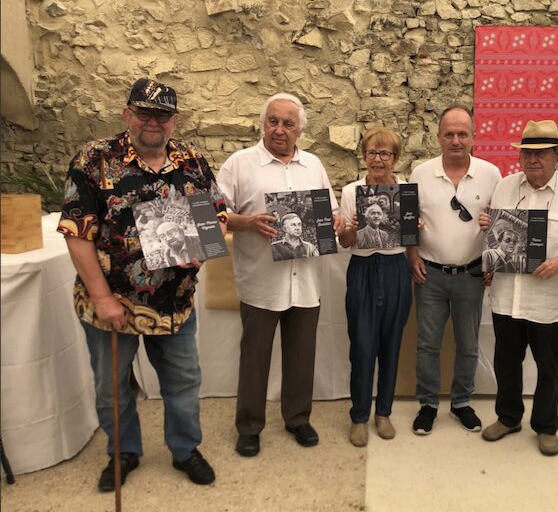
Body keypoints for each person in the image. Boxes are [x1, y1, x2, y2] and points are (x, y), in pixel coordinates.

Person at [58, 77, 226, 490]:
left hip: (174, 303)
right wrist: (101, 298)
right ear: (127, 114)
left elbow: (216, 217)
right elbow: (77, 233)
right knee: (112, 387)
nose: (154, 122)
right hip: (113, 303)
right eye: (145, 113)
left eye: (163, 115)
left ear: (175, 121)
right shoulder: (94, 159)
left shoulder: (193, 160)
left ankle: (185, 450)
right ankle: (123, 452)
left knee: (184, 381)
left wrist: (203, 248)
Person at [217, 92, 345, 457]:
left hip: (305, 281)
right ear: (263, 124)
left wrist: (335, 220)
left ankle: (298, 419)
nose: (279, 129)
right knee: (254, 359)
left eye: (288, 123)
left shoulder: (314, 165)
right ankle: (249, 426)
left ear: (299, 130)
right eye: (273, 121)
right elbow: (213, 214)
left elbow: (331, 211)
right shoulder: (240, 164)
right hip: (261, 282)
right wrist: (246, 222)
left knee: (302, 356)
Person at [478, 119, 558, 455]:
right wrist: (488, 231)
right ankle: (508, 417)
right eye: (527, 153)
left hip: (547, 301)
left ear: (557, 154)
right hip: (506, 297)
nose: (533, 159)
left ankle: (546, 426)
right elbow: (498, 237)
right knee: (506, 362)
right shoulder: (504, 187)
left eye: (542, 153)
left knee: (548, 367)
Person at [406, 106, 501, 435]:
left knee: (468, 344)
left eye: (462, 134)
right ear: (438, 137)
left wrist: (492, 260)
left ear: (474, 137)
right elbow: (408, 221)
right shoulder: (420, 174)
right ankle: (428, 404)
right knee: (427, 345)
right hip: (429, 274)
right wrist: (411, 255)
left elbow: (501, 224)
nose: (456, 140)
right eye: (449, 134)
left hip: (472, 274)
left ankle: (461, 402)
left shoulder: (491, 174)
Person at [339, 127, 413, 447]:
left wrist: (417, 227)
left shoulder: (406, 190)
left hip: (396, 268)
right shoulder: (351, 191)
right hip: (363, 269)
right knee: (362, 345)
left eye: (385, 153)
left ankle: (383, 412)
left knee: (391, 343)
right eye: (372, 152)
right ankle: (359, 416)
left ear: (395, 158)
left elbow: (411, 238)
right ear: (364, 156)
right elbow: (345, 242)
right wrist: (351, 229)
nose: (378, 159)